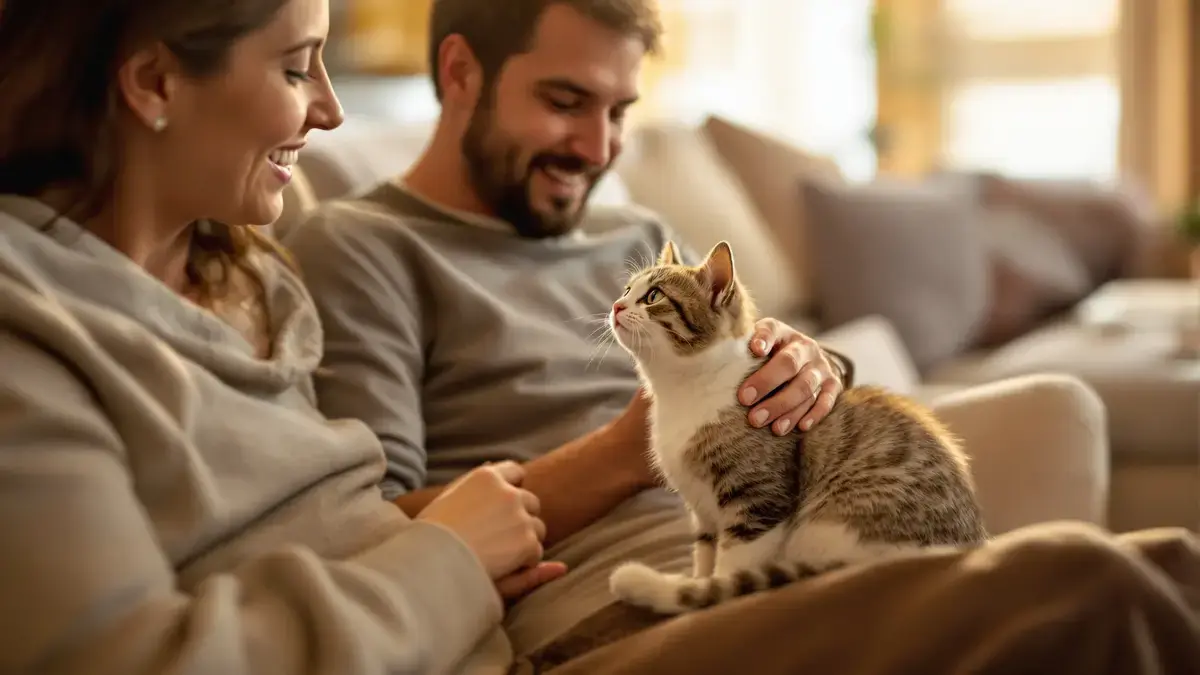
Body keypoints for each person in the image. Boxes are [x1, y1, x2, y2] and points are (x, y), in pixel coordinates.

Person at [279, 0, 1200, 671]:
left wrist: (807, 370)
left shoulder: (635, 235)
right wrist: (639, 448)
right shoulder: (361, 247)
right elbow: (379, 529)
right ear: (459, 74)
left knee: (1171, 568)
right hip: (611, 609)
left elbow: (762, 377)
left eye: (619, 112)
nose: (597, 148)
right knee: (1094, 584)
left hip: (782, 544)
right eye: (565, 100)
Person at [0, 1, 557, 673]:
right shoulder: (28, 326)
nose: (331, 111)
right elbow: (130, 658)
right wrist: (448, 558)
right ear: (154, 83)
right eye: (295, 69)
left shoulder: (250, 274)